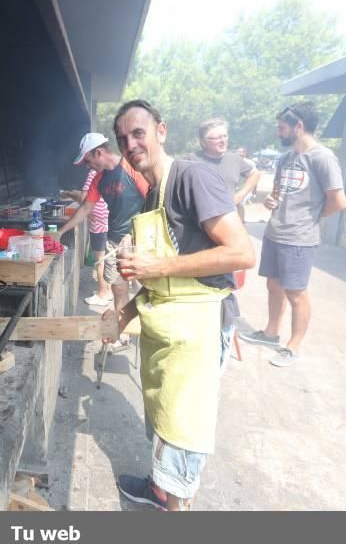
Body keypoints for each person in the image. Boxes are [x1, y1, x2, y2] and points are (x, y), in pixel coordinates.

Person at [106, 101, 255, 511]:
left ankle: (176, 509)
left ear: (161, 131)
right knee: (163, 420)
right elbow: (159, 283)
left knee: (182, 434)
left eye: (139, 133)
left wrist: (156, 264)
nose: (131, 144)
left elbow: (241, 253)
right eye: (123, 139)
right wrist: (125, 313)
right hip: (167, 326)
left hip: (199, 330)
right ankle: (159, 490)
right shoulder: (151, 193)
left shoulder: (194, 178)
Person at [239, 102, 346, 367]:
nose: (279, 132)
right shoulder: (286, 159)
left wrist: (312, 217)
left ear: (299, 126)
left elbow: (338, 201)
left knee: (296, 293)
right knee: (273, 285)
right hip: (275, 232)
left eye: (282, 127)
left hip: (299, 238)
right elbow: (278, 192)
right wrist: (272, 203)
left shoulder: (322, 158)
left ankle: (293, 346)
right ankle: (270, 333)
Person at [58, 133, 149, 347]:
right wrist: (61, 231)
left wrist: (135, 233)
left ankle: (151, 334)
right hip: (114, 239)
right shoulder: (99, 179)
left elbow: (152, 201)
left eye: (88, 161)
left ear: (99, 152)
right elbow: (86, 207)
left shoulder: (132, 168)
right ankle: (121, 331)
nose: (88, 167)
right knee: (118, 288)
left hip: (140, 240)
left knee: (149, 288)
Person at [181, 119, 260, 222]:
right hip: (197, 224)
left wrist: (240, 195)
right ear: (203, 142)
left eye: (225, 136)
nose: (223, 141)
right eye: (217, 138)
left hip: (229, 221)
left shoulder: (234, 159)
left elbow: (255, 174)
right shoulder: (189, 160)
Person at [59, 168, 111, 305]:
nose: (86, 164)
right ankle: (107, 289)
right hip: (106, 219)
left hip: (99, 224)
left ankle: (102, 294)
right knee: (106, 258)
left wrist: (69, 194)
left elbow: (84, 198)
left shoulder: (93, 172)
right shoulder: (105, 171)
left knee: (100, 260)